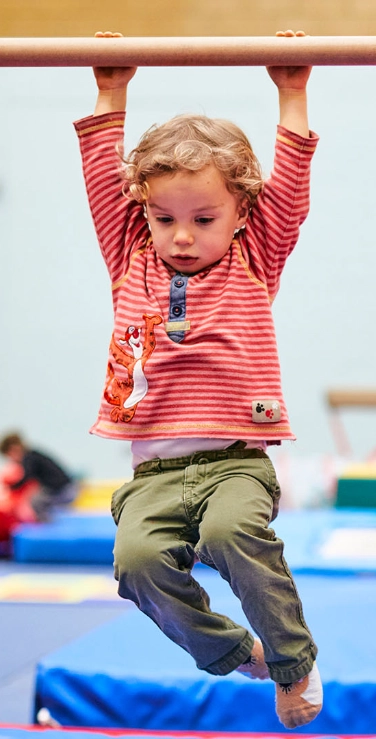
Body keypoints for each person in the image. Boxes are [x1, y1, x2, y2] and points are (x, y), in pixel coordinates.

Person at [77, 30, 321, 728]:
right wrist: (110, 90)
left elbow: (290, 192)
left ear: (241, 214)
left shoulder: (254, 259)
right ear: (144, 215)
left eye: (203, 219)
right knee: (137, 564)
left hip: (234, 462)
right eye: (165, 218)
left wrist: (292, 92)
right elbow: (103, 181)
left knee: (232, 534)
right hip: (152, 471)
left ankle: (292, 663)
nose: (182, 235)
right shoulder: (131, 256)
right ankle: (235, 652)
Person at [0, 432, 77, 523]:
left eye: (9, 456)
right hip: (66, 488)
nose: (12, 460)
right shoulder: (34, 455)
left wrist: (13, 487)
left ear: (14, 449)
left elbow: (27, 478)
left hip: (63, 491)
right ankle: (49, 523)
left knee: (36, 502)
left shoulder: (29, 458)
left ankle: (47, 526)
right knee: (38, 501)